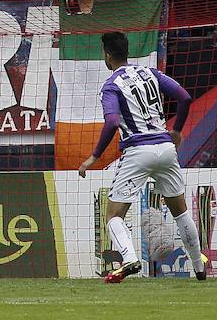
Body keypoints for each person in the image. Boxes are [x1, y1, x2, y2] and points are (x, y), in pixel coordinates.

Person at [78, 32, 206, 283]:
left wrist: (94, 156)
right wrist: (177, 130)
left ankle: (129, 259)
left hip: (138, 150)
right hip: (166, 148)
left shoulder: (111, 85)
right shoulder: (151, 73)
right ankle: (199, 268)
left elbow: (112, 121)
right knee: (180, 212)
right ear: (127, 52)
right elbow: (185, 97)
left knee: (114, 215)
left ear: (107, 55)